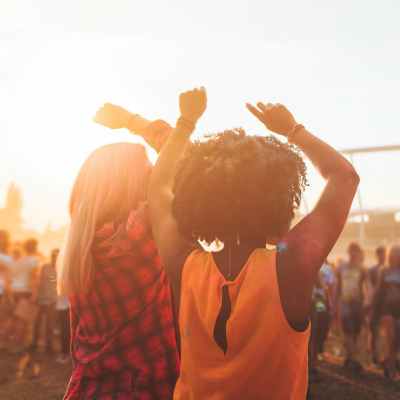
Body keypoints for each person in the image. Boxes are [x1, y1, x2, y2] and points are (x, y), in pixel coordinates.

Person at [148, 88, 359, 399]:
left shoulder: (186, 265)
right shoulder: (290, 266)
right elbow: (344, 177)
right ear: (279, 199)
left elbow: (158, 188)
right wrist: (292, 129)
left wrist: (186, 122)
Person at [59, 107, 179, 399]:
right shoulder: (140, 234)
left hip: (88, 388)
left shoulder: (80, 247)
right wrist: (132, 122)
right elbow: (186, 161)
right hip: (145, 387)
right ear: (134, 182)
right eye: (149, 170)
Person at [336, 242, 367, 372]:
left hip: (357, 303)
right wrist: (335, 303)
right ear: (349, 253)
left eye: (356, 251)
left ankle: (349, 357)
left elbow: (364, 287)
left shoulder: (362, 269)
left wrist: (365, 303)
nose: (353, 254)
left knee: (355, 332)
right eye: (351, 251)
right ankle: (354, 359)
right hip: (345, 303)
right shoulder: (341, 268)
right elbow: (338, 286)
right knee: (348, 331)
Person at [371, 245, 400, 380]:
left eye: (398, 254)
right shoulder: (385, 271)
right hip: (387, 310)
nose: (395, 256)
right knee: (391, 339)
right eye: (393, 254)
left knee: (396, 342)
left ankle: (389, 364)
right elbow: (378, 291)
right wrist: (373, 309)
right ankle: (391, 370)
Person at [30, 249, 59, 353]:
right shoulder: (45, 267)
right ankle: (34, 343)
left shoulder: (61, 268)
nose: (54, 258)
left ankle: (49, 346)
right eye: (53, 256)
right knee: (37, 323)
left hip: (52, 300)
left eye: (56, 256)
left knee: (49, 324)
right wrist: (36, 295)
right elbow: (39, 281)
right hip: (42, 298)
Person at [368, 246, 387, 364]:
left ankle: (382, 355)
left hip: (386, 304)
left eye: (383, 254)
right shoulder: (372, 270)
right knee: (374, 329)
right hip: (376, 303)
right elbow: (369, 287)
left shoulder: (390, 269)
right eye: (380, 254)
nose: (382, 256)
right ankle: (375, 354)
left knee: (384, 331)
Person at [55, 294, 70, 364]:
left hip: (67, 307)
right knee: (63, 331)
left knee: (66, 331)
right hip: (60, 307)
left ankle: (66, 354)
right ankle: (64, 353)